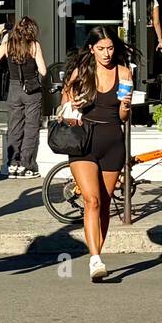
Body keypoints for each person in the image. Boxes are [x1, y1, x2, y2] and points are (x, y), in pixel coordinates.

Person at [57, 27, 134, 281]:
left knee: (105, 203)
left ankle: (97, 252)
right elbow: (62, 107)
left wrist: (125, 106)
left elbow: (123, 117)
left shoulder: (124, 73)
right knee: (92, 200)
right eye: (101, 48)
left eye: (110, 48)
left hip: (113, 141)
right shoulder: (81, 72)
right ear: (92, 49)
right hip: (84, 142)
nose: (106, 53)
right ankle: (95, 259)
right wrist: (72, 104)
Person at [0, 16, 49, 179]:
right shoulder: (34, 46)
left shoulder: (6, 45)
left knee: (14, 126)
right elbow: (44, 71)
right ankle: (27, 166)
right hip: (31, 90)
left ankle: (12, 164)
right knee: (31, 128)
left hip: (14, 88)